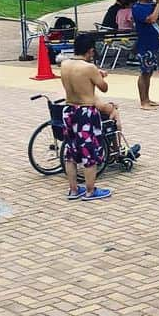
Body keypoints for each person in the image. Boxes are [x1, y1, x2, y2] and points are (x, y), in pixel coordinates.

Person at [58, 32, 114, 202]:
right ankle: (90, 191)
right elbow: (103, 88)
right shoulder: (89, 68)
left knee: (70, 151)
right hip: (86, 112)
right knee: (89, 151)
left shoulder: (64, 64)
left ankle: (73, 189)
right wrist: (99, 75)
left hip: (69, 109)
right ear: (90, 51)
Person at [131, 0, 159, 109]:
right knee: (144, 72)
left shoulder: (152, 5)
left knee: (149, 72)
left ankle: (147, 98)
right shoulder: (137, 8)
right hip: (144, 44)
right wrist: (157, 4)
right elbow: (151, 19)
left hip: (153, 42)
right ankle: (143, 101)